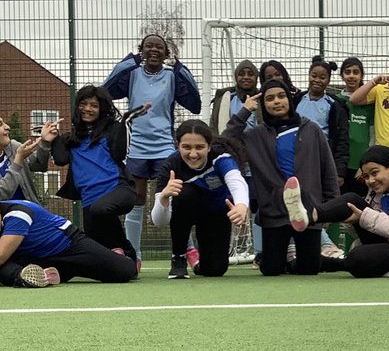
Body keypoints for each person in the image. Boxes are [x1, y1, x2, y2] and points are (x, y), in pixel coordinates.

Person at [222, 79, 339, 276]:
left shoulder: (311, 129)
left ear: (289, 99)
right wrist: (244, 111)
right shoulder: (255, 135)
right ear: (263, 105)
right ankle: (274, 258)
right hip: (274, 212)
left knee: (309, 269)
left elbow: (328, 169)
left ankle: (306, 260)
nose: (276, 101)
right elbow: (225, 140)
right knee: (271, 270)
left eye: (281, 96)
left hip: (308, 210)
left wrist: (329, 207)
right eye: (270, 98)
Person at [102, 33, 202, 264]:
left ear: (166, 53)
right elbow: (105, 92)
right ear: (141, 51)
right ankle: (134, 255)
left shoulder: (171, 76)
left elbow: (195, 104)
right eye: (149, 46)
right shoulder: (132, 74)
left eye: (159, 47)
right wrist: (130, 62)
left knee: (171, 197)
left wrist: (180, 69)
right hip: (136, 147)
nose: (154, 50)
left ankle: (187, 249)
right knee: (136, 199)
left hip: (165, 147)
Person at [0, 187, 137, 289]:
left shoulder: (18, 213)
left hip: (70, 247)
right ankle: (39, 276)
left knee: (125, 272)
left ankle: (108, 256)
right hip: (35, 259)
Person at [282, 145, 389, 278]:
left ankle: (326, 257)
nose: (370, 181)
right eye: (366, 176)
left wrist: (363, 217)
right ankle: (311, 213)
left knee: (357, 258)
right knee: (353, 199)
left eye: (374, 173)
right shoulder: (379, 193)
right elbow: (373, 226)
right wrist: (356, 220)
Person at [50, 85, 150, 265]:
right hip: (89, 200)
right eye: (84, 104)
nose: (88, 109)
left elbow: (120, 154)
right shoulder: (71, 139)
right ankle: (128, 258)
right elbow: (60, 159)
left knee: (101, 209)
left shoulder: (111, 130)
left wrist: (127, 120)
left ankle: (122, 251)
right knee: (95, 246)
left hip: (119, 190)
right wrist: (53, 137)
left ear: (102, 109)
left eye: (94, 105)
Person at [151, 120, 250, 278]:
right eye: (186, 147)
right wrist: (163, 197)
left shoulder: (220, 158)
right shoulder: (170, 167)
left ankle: (199, 257)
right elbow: (159, 222)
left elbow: (236, 181)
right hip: (187, 209)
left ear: (209, 146)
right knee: (184, 193)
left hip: (215, 213)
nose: (193, 154)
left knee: (215, 270)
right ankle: (179, 257)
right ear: (178, 146)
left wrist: (241, 205)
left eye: (199, 147)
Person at [291, 56, 349, 181]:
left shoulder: (334, 105)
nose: (317, 80)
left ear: (328, 81)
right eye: (314, 76)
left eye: (322, 78)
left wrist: (339, 171)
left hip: (321, 158)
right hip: (297, 157)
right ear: (308, 76)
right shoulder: (296, 101)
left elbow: (342, 140)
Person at [338, 57, 375, 197]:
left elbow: (373, 133)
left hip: (361, 165)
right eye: (347, 72)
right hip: (342, 164)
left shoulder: (369, 102)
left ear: (362, 76)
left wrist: (367, 162)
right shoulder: (336, 100)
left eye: (356, 72)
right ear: (342, 76)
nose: (352, 76)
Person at [209, 59, 259, 134]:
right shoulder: (226, 98)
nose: (246, 77)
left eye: (250, 74)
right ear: (236, 77)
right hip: (229, 143)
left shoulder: (263, 98)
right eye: (241, 74)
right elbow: (214, 125)